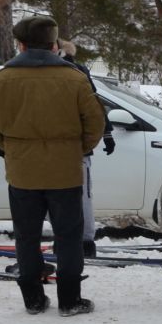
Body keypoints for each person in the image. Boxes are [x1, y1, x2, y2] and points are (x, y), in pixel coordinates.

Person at [0, 16, 105, 316]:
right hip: (65, 169)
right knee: (69, 236)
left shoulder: (2, 79)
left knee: (26, 234)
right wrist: (77, 149)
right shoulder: (73, 78)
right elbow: (95, 123)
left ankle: (33, 298)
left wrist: (10, 147)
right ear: (53, 44)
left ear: (21, 44)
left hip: (22, 170)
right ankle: (70, 299)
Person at [59, 38, 116, 258]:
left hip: (77, 145)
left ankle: (85, 241)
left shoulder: (76, 70)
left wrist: (106, 132)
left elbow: (94, 103)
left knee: (82, 195)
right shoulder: (39, 71)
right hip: (51, 146)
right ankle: (63, 238)